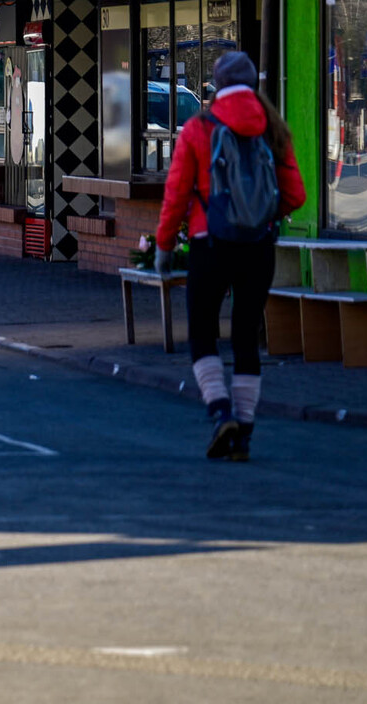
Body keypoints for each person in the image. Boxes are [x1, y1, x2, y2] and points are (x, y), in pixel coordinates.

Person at [156, 51, 306, 462]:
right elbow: (295, 195)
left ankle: (221, 413)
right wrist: (259, 214)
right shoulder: (274, 130)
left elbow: (176, 194)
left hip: (210, 244)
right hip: (258, 247)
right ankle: (245, 431)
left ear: (217, 86)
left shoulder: (198, 129)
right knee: (245, 338)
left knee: (203, 331)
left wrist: (165, 247)